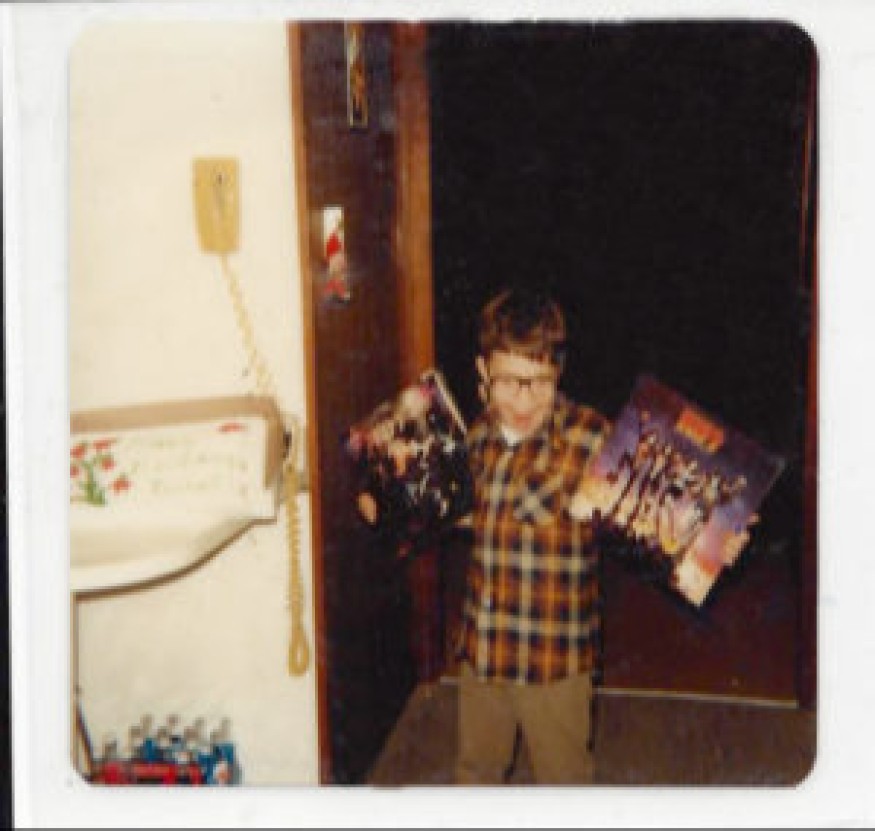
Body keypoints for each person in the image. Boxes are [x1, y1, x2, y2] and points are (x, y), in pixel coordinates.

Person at [454, 287, 611, 785]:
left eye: (540, 382)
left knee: (564, 780)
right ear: (483, 374)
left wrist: (717, 534)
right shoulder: (474, 438)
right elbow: (454, 514)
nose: (524, 400)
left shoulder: (591, 437)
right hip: (483, 651)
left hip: (554, 661)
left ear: (557, 373)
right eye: (508, 382)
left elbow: (652, 516)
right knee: (476, 770)